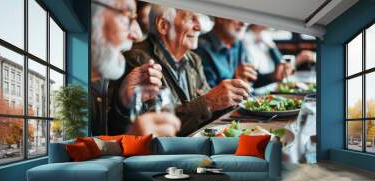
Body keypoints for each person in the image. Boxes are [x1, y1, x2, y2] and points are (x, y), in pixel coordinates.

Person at [109, 5, 251, 136]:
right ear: (163, 25)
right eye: (191, 19)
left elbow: (209, 111)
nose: (199, 27)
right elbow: (159, 128)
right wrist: (209, 102)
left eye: (199, 19)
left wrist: (228, 99)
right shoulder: (139, 59)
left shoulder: (193, 59)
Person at [91, 0, 180, 137]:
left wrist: (123, 104)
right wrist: (133, 141)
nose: (137, 34)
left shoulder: (99, 82)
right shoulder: (63, 79)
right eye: (127, 17)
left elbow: (99, 141)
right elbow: (71, 154)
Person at [196, 18, 292, 88]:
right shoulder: (200, 48)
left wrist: (274, 76)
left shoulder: (238, 43)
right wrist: (236, 80)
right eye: (238, 16)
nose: (244, 23)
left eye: (246, 17)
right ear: (220, 17)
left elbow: (252, 81)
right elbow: (208, 98)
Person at [243, 24, 314, 86]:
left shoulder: (265, 36)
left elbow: (280, 62)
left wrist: (272, 46)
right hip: (263, 81)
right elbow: (256, 78)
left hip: (271, 79)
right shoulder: (246, 40)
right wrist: (297, 60)